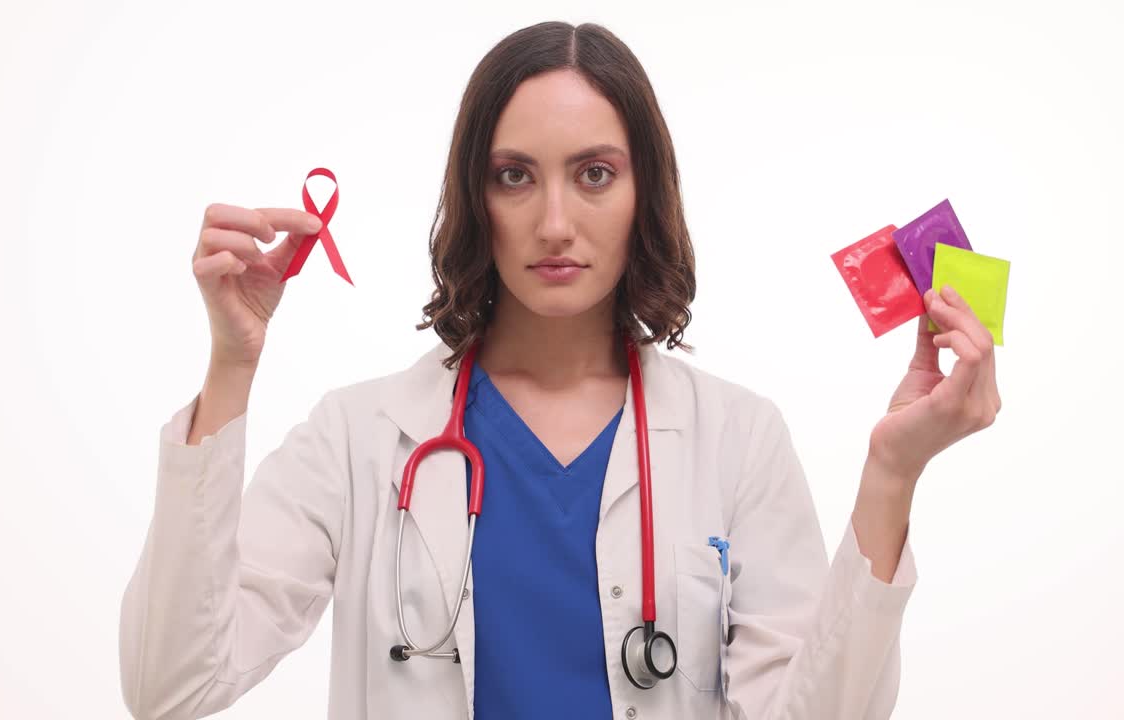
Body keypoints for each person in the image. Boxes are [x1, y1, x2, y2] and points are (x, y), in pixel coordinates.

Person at [118, 20, 1001, 720]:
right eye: (514, 176)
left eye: (594, 174)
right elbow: (172, 686)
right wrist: (231, 365)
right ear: (475, 197)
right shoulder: (360, 437)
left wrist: (892, 475)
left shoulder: (736, 438)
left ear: (643, 193)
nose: (552, 223)